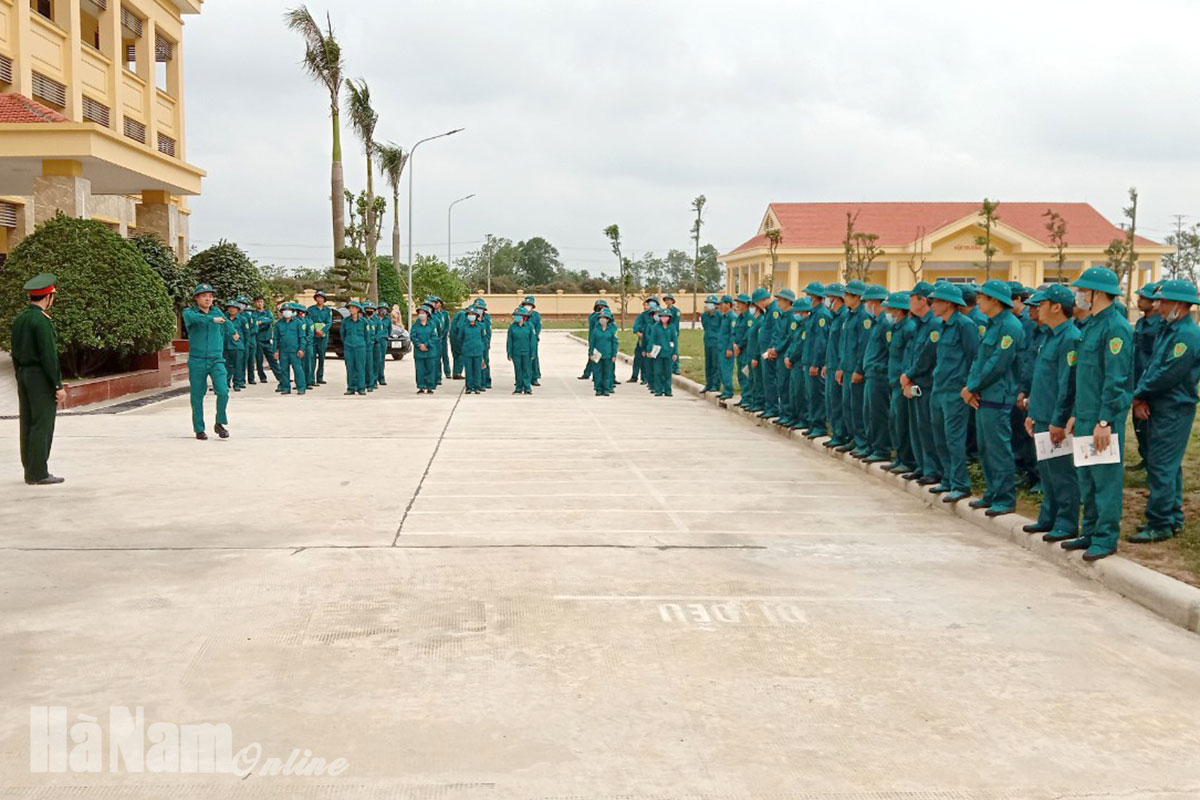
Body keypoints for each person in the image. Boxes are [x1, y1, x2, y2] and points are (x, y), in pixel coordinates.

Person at [1060, 267, 1134, 561]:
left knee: (1105, 481)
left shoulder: (1115, 327)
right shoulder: (1090, 325)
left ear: (1098, 293)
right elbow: (1086, 377)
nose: (1079, 295)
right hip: (1087, 415)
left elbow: (1115, 380)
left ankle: (1105, 537)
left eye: (1084, 290)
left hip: (1104, 419)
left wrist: (1105, 421)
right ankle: (1089, 531)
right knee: (1087, 479)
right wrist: (1078, 413)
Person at [1129, 278, 1200, 543]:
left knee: (1160, 466)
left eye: (1164, 301)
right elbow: (1152, 367)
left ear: (1180, 305)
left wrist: (1138, 394)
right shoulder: (1170, 329)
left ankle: (1159, 523)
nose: (1158, 305)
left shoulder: (1186, 335)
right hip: (1161, 404)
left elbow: (1167, 374)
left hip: (1173, 408)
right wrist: (1143, 395)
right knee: (1168, 467)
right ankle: (1171, 517)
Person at [1022, 285, 1081, 543]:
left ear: (1057, 306)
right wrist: (1033, 413)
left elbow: (1067, 384)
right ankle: (1049, 516)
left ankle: (1066, 522)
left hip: (1055, 418)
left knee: (1062, 472)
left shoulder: (1070, 337)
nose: (1035, 309)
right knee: (1046, 470)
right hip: (1042, 414)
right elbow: (1042, 380)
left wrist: (1059, 419)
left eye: (1041, 304)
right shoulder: (1049, 336)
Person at [962, 279, 1024, 516]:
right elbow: (979, 359)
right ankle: (992, 492)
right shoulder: (992, 324)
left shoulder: (1010, 326)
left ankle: (1005, 497)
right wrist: (971, 386)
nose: (978, 301)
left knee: (999, 449)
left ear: (995, 300)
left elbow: (997, 364)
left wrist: (973, 386)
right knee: (986, 448)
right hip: (983, 394)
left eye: (982, 297)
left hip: (998, 395)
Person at [12, 273, 67, 483]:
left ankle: (29, 469)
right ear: (48, 297)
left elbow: (15, 353)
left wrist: (20, 375)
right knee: (42, 424)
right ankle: (38, 473)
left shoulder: (20, 319)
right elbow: (48, 356)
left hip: (24, 374)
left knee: (27, 422)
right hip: (40, 377)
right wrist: (57, 384)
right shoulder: (42, 322)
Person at [928, 282, 979, 502]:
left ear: (948, 303)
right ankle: (948, 477)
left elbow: (974, 356)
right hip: (939, 388)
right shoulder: (942, 325)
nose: (932, 305)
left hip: (956, 391)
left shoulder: (965, 325)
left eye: (936, 301)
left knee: (954, 439)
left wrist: (970, 387)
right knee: (939, 437)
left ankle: (960, 483)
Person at [899, 282, 940, 484]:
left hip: (926, 383)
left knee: (926, 427)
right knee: (916, 426)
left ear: (923, 300)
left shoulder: (934, 324)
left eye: (912, 298)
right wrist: (907, 375)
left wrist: (910, 374)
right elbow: (913, 352)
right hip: (914, 382)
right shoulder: (920, 324)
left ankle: (932, 469)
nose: (909, 302)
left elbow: (927, 356)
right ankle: (922, 465)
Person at [183, 283, 231, 440]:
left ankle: (219, 423)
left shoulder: (217, 312)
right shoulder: (189, 313)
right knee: (197, 395)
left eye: (210, 296)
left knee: (223, 391)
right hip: (197, 360)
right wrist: (213, 319)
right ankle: (199, 428)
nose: (208, 298)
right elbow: (198, 319)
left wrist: (235, 334)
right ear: (197, 298)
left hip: (216, 359)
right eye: (204, 296)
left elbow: (227, 324)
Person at [883, 292, 917, 474]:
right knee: (894, 420)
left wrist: (906, 377)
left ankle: (906, 459)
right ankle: (899, 458)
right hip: (894, 380)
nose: (887, 310)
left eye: (891, 307)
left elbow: (910, 356)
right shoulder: (896, 327)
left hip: (902, 381)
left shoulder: (909, 328)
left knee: (902, 421)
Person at [1131, 281, 1163, 469]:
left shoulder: (1159, 324)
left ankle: (1153, 462)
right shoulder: (1142, 322)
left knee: (1149, 425)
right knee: (1138, 425)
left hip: (1148, 377)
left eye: (1144, 298)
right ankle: (1145, 457)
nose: (1139, 300)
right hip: (1136, 376)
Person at [860, 285, 893, 462]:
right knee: (869, 412)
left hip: (880, 374)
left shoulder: (885, 323)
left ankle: (881, 448)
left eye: (868, 302)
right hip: (871, 373)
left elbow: (890, 350)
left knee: (878, 413)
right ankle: (871, 445)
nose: (866, 305)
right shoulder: (876, 322)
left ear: (874, 302)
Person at [836, 280, 869, 454]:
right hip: (846, 367)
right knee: (847, 405)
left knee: (857, 407)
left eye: (848, 295)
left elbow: (862, 346)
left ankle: (862, 441)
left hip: (855, 370)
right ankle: (853, 438)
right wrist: (841, 366)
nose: (845, 298)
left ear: (857, 297)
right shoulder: (849, 316)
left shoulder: (863, 318)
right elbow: (845, 345)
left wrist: (858, 369)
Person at [822, 283, 849, 448]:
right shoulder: (836, 317)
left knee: (838, 403)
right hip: (831, 364)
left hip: (839, 365)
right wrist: (827, 363)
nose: (828, 301)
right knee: (831, 402)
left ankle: (841, 434)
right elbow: (831, 344)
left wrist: (840, 366)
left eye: (829, 298)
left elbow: (844, 346)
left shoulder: (845, 316)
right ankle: (836, 432)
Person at [803, 282, 831, 439]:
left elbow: (821, 342)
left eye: (809, 295)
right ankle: (813, 423)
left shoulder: (821, 315)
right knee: (810, 395)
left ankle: (819, 425)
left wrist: (815, 363)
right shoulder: (814, 314)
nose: (807, 298)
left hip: (816, 363)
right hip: (809, 360)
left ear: (815, 297)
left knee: (817, 395)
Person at [781, 296, 813, 429]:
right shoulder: (799, 326)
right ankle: (794, 417)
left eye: (797, 312)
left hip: (799, 363)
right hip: (793, 362)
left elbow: (800, 346)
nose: (795, 315)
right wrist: (787, 356)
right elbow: (793, 342)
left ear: (804, 312)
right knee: (793, 391)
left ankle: (803, 419)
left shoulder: (807, 326)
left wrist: (792, 357)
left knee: (800, 392)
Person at [763, 288, 795, 420]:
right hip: (779, 354)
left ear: (787, 301)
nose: (778, 302)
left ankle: (787, 413)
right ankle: (783, 413)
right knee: (781, 384)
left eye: (781, 299)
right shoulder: (782, 315)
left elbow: (789, 337)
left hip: (785, 354)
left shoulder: (792, 316)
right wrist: (773, 348)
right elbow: (777, 334)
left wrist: (778, 349)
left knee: (785, 385)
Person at [273, 302, 307, 395]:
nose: (286, 312)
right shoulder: (278, 324)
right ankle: (285, 388)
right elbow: (276, 338)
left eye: (289, 310)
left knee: (298, 369)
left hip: (295, 351)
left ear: (292, 312)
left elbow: (302, 337)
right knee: (284, 370)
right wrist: (275, 351)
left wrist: (301, 349)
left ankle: (301, 387)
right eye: (284, 310)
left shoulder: (298, 323)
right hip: (283, 351)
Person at [646, 307, 678, 396]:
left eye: (666, 316)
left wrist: (675, 352)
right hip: (658, 353)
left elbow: (674, 340)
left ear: (669, 318)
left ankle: (668, 390)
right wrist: (649, 350)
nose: (664, 318)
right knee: (658, 372)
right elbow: (652, 339)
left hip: (668, 352)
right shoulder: (656, 327)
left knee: (668, 372)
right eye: (662, 316)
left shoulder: (672, 327)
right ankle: (658, 390)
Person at [340, 300, 368, 395]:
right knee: (350, 367)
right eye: (350, 308)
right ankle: (351, 387)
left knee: (360, 367)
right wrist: (347, 343)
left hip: (360, 347)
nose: (351, 309)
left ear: (358, 309)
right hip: (349, 347)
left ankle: (361, 388)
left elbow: (367, 336)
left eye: (353, 307)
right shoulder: (345, 321)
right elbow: (342, 334)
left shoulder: (364, 322)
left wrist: (365, 346)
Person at [411, 303, 439, 394]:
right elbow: (412, 336)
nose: (421, 314)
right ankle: (421, 386)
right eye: (420, 313)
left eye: (423, 312)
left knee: (431, 369)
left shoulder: (432, 325)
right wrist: (419, 344)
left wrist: (426, 345)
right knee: (420, 370)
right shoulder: (416, 325)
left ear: (427, 314)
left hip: (430, 351)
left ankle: (430, 386)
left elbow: (434, 337)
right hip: (419, 352)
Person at [507, 306, 536, 394]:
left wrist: (533, 352)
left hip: (526, 352)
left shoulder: (529, 326)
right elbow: (509, 340)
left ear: (523, 316)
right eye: (515, 315)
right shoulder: (512, 327)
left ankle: (527, 387)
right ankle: (519, 387)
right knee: (518, 370)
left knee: (526, 370)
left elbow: (533, 340)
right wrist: (509, 352)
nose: (516, 317)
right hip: (516, 352)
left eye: (518, 315)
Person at [250, 295, 279, 383]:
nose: (260, 303)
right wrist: (261, 323)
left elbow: (271, 320)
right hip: (258, 339)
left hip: (267, 338)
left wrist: (261, 321)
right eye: (258, 302)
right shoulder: (254, 314)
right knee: (259, 360)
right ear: (255, 303)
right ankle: (262, 377)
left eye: (261, 302)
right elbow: (255, 325)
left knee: (272, 359)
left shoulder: (268, 312)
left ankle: (280, 376)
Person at [591, 308, 619, 396]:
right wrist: (591, 353)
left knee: (608, 372)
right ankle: (598, 389)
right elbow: (592, 342)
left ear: (608, 320)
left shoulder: (611, 330)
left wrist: (614, 354)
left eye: (604, 317)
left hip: (608, 354)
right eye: (601, 317)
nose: (602, 319)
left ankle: (606, 389)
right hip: (597, 354)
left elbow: (615, 343)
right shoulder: (595, 330)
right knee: (597, 372)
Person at [308, 289, 334, 386]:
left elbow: (329, 322)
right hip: (314, 336)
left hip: (323, 336)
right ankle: (311, 379)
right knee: (312, 357)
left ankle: (320, 377)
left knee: (322, 358)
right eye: (318, 297)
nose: (320, 299)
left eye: (321, 298)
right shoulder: (310, 310)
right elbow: (309, 321)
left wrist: (323, 331)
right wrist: (315, 330)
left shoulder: (328, 310)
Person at [730, 294, 752, 406]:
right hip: (738, 349)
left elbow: (748, 334)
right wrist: (734, 344)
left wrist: (740, 346)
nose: (737, 305)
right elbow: (734, 332)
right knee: (740, 374)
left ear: (746, 304)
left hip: (745, 350)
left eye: (740, 303)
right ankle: (744, 397)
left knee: (746, 374)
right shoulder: (739, 317)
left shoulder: (749, 317)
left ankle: (748, 398)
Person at [461, 305, 488, 394]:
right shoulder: (464, 326)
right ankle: (469, 387)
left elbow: (484, 338)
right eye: (469, 314)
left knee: (477, 370)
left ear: (476, 316)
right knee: (468, 370)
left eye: (473, 314)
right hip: (467, 351)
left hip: (478, 351)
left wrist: (483, 349)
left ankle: (477, 387)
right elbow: (460, 339)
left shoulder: (481, 326)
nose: (471, 316)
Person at [715, 294, 736, 400]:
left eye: (722, 304)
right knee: (721, 370)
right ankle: (725, 390)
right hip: (721, 347)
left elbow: (733, 334)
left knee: (726, 370)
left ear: (728, 304)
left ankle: (728, 390)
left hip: (726, 348)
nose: (720, 307)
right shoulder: (724, 316)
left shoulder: (732, 317)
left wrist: (730, 348)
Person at [630, 297, 655, 384]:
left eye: (647, 305)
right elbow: (636, 326)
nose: (645, 307)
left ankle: (647, 378)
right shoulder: (642, 315)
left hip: (654, 341)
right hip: (642, 340)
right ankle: (635, 376)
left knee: (649, 360)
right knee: (638, 357)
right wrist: (639, 334)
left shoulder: (659, 315)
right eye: (645, 305)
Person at [222, 300, 246, 391]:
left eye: (234, 308)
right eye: (229, 307)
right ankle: (226, 383)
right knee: (226, 366)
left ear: (238, 309)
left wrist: (244, 345)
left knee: (238, 366)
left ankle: (237, 383)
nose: (231, 309)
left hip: (237, 346)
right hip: (226, 345)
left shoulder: (242, 320)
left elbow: (246, 334)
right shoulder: (224, 319)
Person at [581, 300, 607, 380]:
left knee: (606, 360)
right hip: (594, 338)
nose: (600, 308)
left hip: (605, 339)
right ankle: (588, 373)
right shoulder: (593, 316)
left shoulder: (607, 315)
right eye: (598, 306)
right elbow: (593, 321)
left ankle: (610, 377)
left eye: (602, 306)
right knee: (593, 356)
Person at [700, 294, 721, 393]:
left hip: (716, 342)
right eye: (708, 303)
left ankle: (715, 384)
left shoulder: (719, 316)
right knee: (708, 364)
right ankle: (708, 384)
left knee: (715, 364)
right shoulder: (704, 316)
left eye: (711, 303)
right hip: (707, 341)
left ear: (716, 305)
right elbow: (705, 327)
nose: (709, 305)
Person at [523, 295, 543, 386]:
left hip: (533, 340)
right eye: (526, 304)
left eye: (529, 304)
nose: (527, 306)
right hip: (522, 340)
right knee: (522, 359)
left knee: (533, 358)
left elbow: (538, 328)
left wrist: (534, 337)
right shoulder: (520, 314)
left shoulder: (536, 316)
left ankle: (534, 378)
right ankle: (522, 378)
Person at [663, 293, 682, 374]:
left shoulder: (676, 311)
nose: (667, 301)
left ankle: (676, 367)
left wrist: (674, 332)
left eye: (669, 300)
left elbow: (675, 323)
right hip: (665, 332)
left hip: (673, 332)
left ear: (672, 301)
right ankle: (669, 366)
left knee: (674, 349)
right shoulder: (664, 311)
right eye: (666, 300)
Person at [450, 302, 467, 379]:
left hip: (453, 338)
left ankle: (455, 372)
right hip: (458, 338)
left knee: (456, 356)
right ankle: (457, 372)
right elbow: (460, 327)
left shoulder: (459, 313)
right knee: (461, 355)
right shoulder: (463, 315)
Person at [377, 301, 393, 386]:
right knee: (375, 359)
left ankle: (381, 378)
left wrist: (386, 336)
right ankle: (373, 378)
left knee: (381, 360)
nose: (383, 311)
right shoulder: (375, 318)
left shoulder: (388, 319)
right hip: (375, 340)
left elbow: (389, 330)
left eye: (385, 309)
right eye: (381, 309)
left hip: (383, 340)